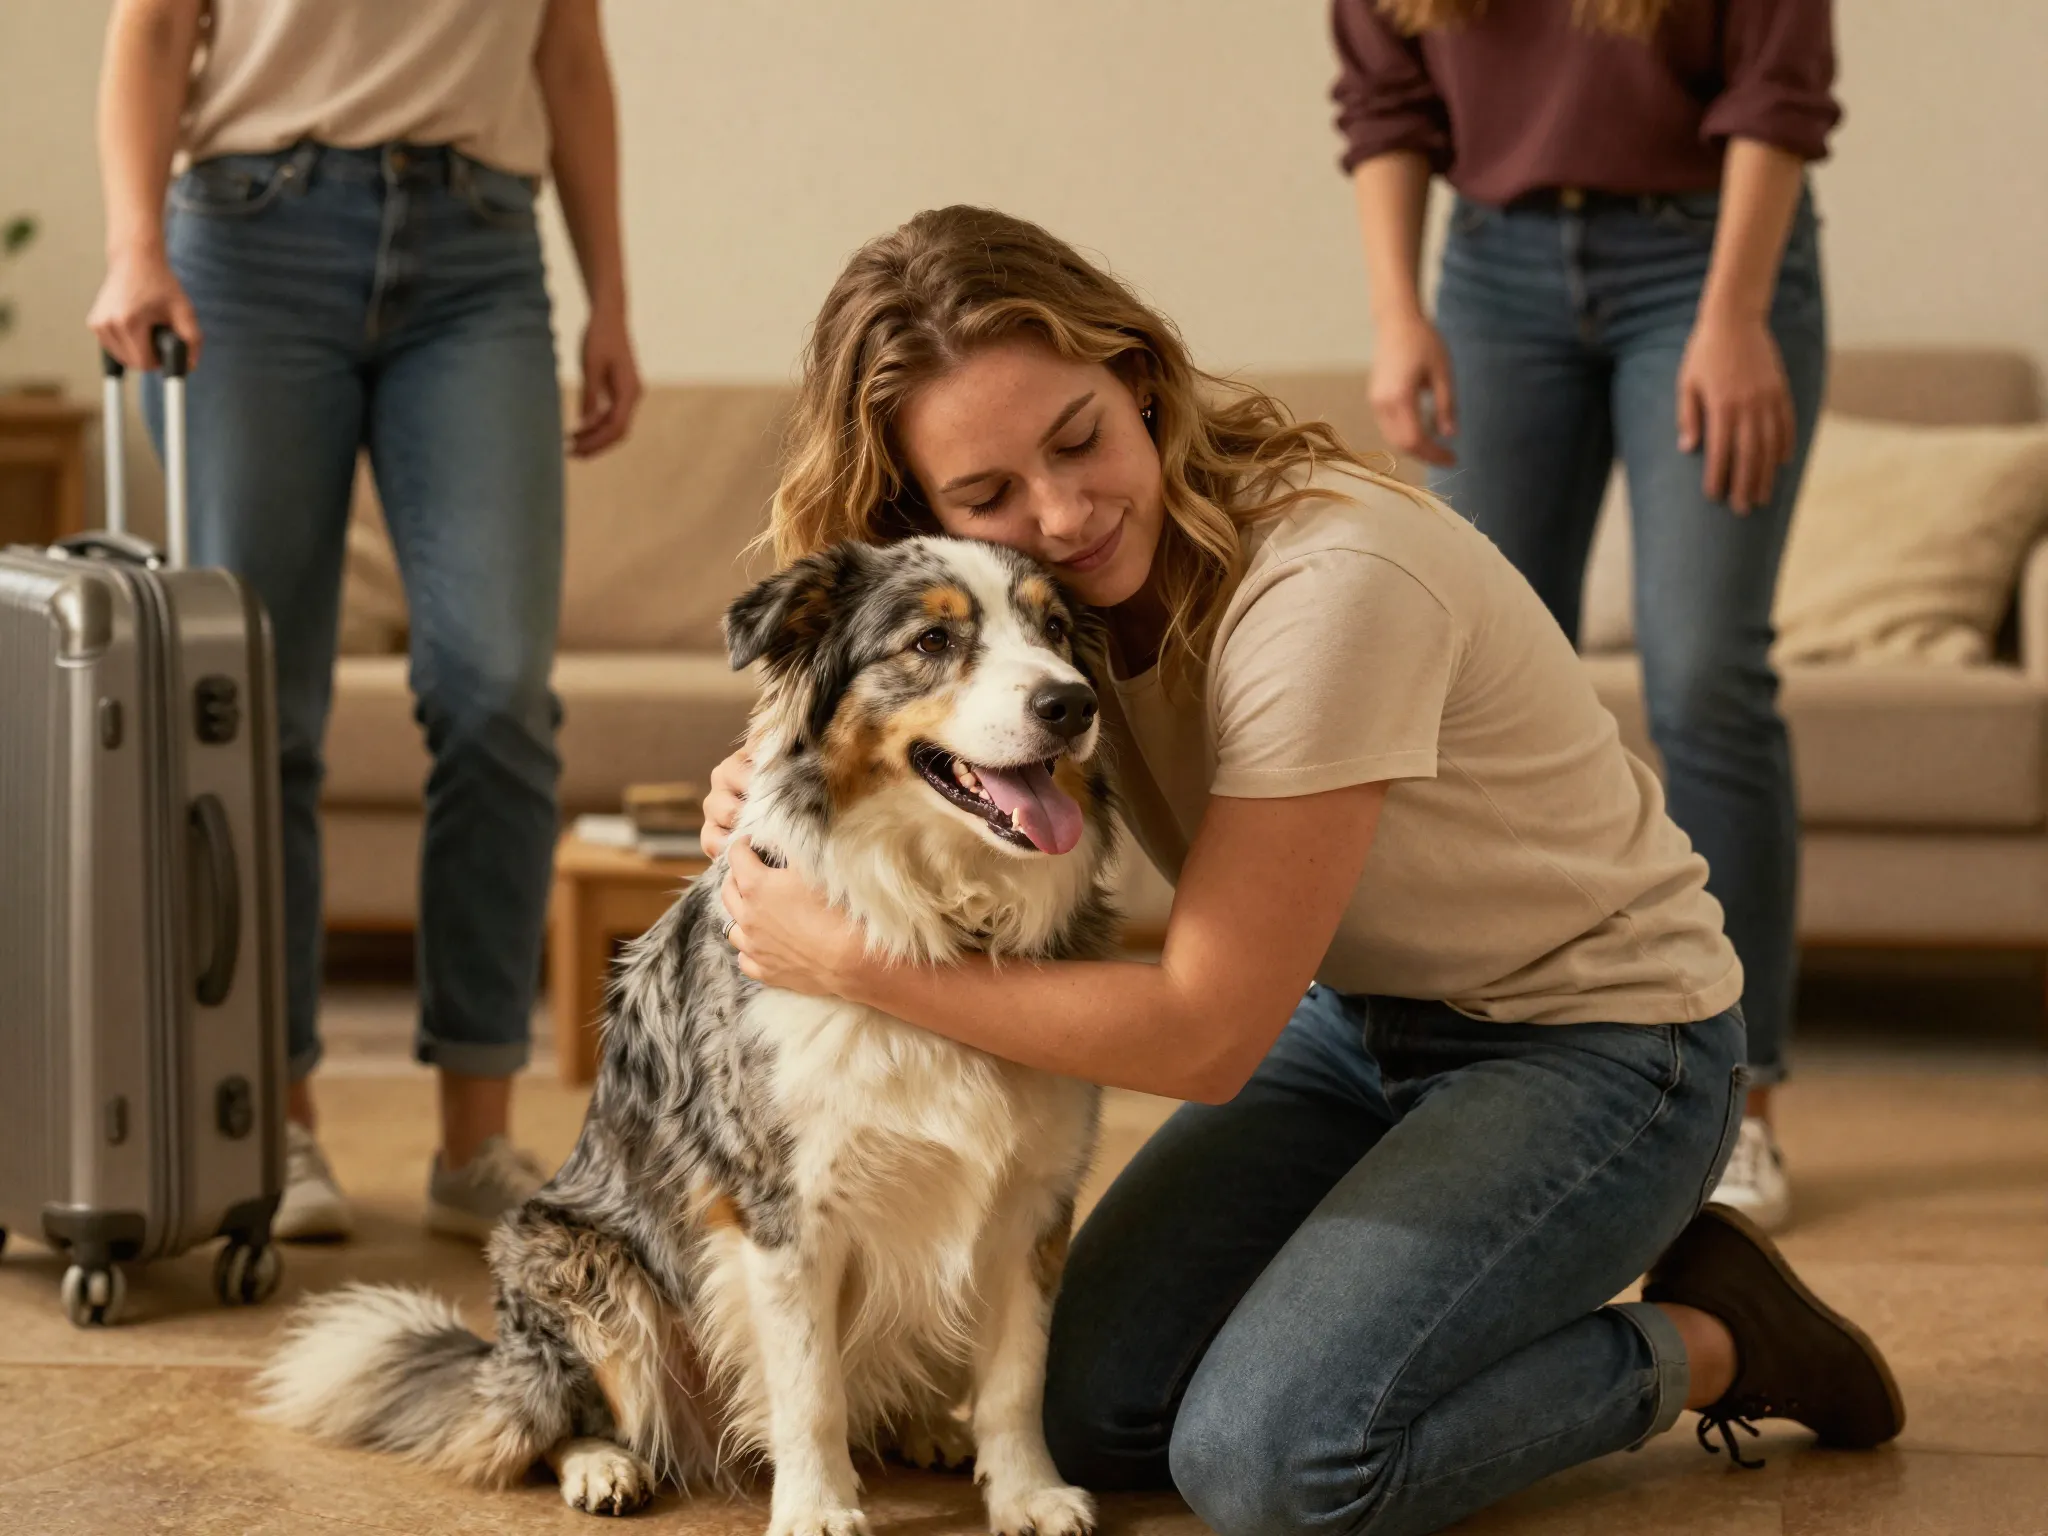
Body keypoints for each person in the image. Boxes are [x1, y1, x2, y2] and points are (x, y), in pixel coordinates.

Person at [698, 205, 1899, 1536]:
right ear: (928, 516)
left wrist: (851, 961)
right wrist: (762, 788)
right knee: (1088, 1412)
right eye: (987, 498)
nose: (1063, 512)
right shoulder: (1039, 621)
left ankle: (1717, 1339)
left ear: (1139, 381)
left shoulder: (1330, 586)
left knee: (1280, 1465)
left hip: (1604, 1046)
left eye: (1080, 438)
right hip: (1349, 1022)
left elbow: (1206, 1033)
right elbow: (863, 717)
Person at [87, 0, 643, 1242]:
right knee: (251, 712)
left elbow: (567, 52)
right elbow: (154, 26)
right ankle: (272, 1123)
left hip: (481, 249)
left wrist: (609, 293)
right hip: (247, 242)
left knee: (497, 691)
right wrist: (134, 242)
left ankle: (476, 1144)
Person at [1337, 0, 1839, 1232]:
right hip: (1491, 268)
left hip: (1707, 253)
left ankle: (1743, 1096)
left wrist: (1731, 319)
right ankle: (1480, 1063)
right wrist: (1398, 310)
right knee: (1457, 677)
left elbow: (1777, 89)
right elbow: (1385, 104)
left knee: (1705, 674)